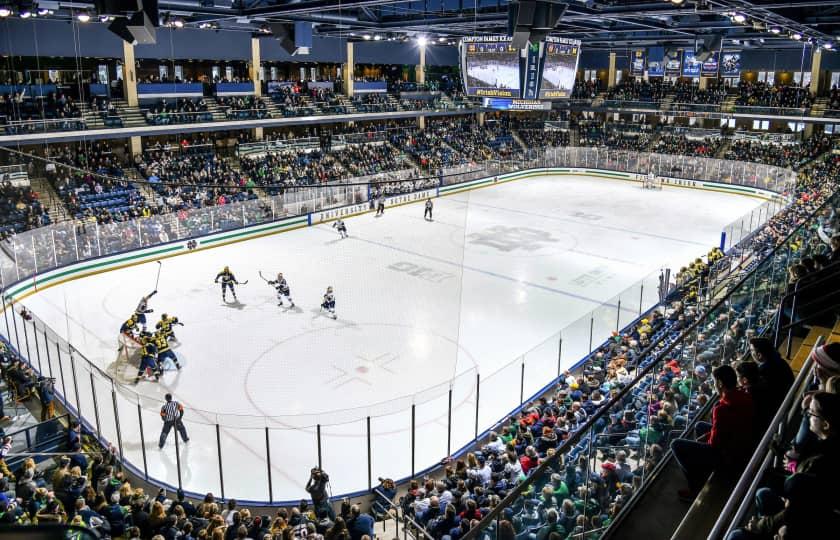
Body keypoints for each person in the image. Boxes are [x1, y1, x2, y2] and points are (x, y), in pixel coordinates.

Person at [670, 364, 754, 498]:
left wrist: (704, 441)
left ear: (720, 383)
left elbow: (714, 444)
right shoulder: (744, 395)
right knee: (699, 426)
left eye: (715, 382)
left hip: (728, 454)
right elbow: (727, 427)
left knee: (676, 444)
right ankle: (704, 469)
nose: (714, 385)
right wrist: (707, 435)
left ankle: (695, 488)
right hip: (741, 442)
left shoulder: (721, 409)